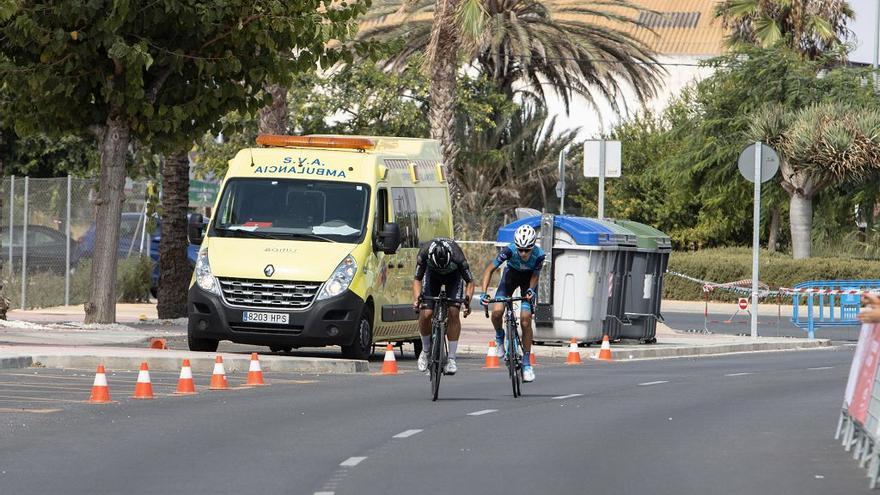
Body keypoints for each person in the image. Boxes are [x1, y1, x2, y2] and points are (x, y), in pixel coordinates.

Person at [480, 224, 545, 383]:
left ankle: (527, 363)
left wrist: (531, 290)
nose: (523, 253)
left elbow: (535, 276)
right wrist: (484, 292)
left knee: (525, 319)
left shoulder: (539, 255)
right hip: (510, 278)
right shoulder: (509, 250)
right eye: (520, 249)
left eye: (526, 250)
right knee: (496, 312)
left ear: (532, 247)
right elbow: (489, 270)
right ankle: (500, 336)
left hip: (527, 282)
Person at [412, 238, 475, 375]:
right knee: (426, 313)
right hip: (432, 277)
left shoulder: (458, 256)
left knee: (453, 312)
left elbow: (470, 281)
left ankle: (451, 358)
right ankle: (426, 350)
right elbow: (417, 279)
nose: (442, 270)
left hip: (454, 278)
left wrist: (467, 301)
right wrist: (417, 299)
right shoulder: (423, 253)